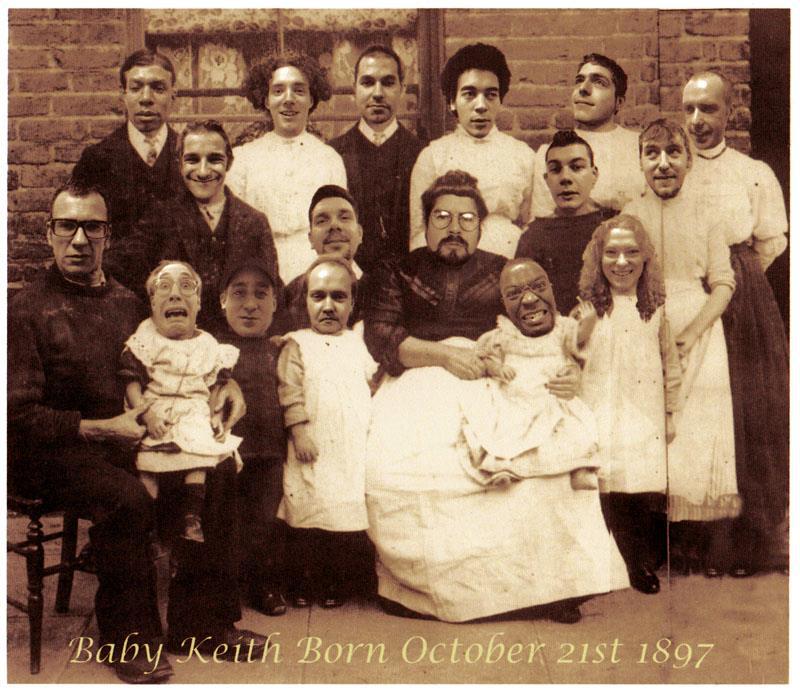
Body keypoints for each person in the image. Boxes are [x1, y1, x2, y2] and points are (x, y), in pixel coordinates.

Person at [7, 183, 268, 684]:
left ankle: (202, 625)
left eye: (92, 227)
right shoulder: (26, 310)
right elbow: (16, 416)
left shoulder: (128, 302)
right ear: (49, 233)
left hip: (132, 437)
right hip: (53, 449)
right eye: (67, 226)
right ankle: (130, 640)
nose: (79, 239)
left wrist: (225, 384)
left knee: (217, 470)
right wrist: (100, 429)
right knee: (126, 497)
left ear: (108, 235)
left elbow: (181, 352)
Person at [365, 170, 628, 624]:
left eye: (467, 219)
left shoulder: (500, 270)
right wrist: (446, 356)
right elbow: (382, 334)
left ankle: (553, 588)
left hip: (497, 373)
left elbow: (541, 324)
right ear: (425, 223)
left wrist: (565, 367)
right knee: (408, 464)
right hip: (417, 375)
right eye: (442, 217)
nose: (454, 228)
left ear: (481, 226)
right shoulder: (398, 269)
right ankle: (423, 589)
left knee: (541, 454)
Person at [682, 70, 789, 577]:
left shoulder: (753, 172)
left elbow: (771, 242)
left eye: (708, 109)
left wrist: (738, 280)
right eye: (689, 109)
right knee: (701, 411)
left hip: (743, 298)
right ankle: (703, 542)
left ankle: (753, 543)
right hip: (690, 291)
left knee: (749, 411)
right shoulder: (673, 167)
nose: (697, 120)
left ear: (730, 112)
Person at [624, 119, 737, 576]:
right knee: (653, 427)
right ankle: (655, 540)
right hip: (645, 320)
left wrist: (693, 331)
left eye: (673, 152)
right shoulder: (631, 214)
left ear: (689, 160)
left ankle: (699, 542)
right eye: (651, 153)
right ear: (640, 162)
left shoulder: (708, 213)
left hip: (698, 324)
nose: (663, 163)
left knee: (699, 429)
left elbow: (723, 283)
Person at [577, 214, 682, 594]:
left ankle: (635, 563)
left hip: (641, 414)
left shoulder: (655, 311)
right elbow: (572, 358)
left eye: (631, 253)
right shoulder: (588, 310)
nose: (621, 262)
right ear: (598, 258)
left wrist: (668, 413)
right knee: (602, 488)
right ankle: (600, 566)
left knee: (635, 489)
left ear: (645, 258)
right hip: (599, 409)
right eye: (612, 253)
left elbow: (671, 366)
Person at [105, 120, 281, 332]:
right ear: (180, 164)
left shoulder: (254, 222)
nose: (203, 171)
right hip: (178, 340)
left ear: (229, 162)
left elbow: (272, 290)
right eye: (192, 160)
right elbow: (116, 268)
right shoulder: (159, 217)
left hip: (238, 340)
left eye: (214, 159)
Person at [277, 256, 379, 609]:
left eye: (339, 297)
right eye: (318, 296)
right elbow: (289, 391)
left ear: (352, 302)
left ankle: (335, 581)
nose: (328, 306)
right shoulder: (297, 343)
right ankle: (302, 581)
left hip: (348, 446)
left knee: (342, 514)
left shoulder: (356, 342)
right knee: (307, 512)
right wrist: (299, 431)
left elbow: (372, 382)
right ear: (305, 301)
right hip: (311, 442)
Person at [121, 261, 242, 544]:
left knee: (200, 458)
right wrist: (146, 415)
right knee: (147, 466)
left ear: (198, 303)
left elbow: (214, 386)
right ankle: (148, 529)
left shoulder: (208, 344)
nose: (175, 294)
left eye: (186, 287)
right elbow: (131, 382)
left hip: (192, 413)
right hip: (156, 410)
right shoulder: (146, 338)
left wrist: (214, 415)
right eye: (164, 287)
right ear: (153, 304)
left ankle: (192, 518)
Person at [459, 258, 600, 491]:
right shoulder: (504, 334)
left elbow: (578, 346)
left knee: (572, 427)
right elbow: (485, 356)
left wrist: (590, 321)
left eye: (539, 287)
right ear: (504, 303)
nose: (529, 299)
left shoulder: (562, 329)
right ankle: (502, 469)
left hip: (550, 398)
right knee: (500, 431)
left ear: (551, 289)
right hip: (514, 399)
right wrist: (497, 368)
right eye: (515, 294)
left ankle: (580, 468)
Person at [227, 51, 347, 283]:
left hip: (317, 267)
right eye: (278, 91)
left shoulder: (329, 159)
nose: (288, 99)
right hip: (258, 267)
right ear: (266, 100)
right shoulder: (242, 159)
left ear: (311, 100)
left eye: (299, 91)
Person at [408, 43, 536, 258]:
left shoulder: (522, 155)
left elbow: (534, 226)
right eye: (469, 94)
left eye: (491, 95)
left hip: (508, 257)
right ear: (452, 102)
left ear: (500, 100)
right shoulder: (433, 156)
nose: (481, 105)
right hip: (447, 262)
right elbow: (419, 232)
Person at [215, 257, 288, 616]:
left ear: (274, 303)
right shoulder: (212, 349)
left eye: (261, 294)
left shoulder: (279, 349)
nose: (250, 304)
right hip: (226, 454)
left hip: (270, 451)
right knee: (226, 522)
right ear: (222, 300)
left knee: (264, 521)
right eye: (238, 293)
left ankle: (263, 584)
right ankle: (225, 587)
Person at [329, 45, 424, 281]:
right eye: (368, 82)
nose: (378, 93)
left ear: (402, 89)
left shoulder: (422, 153)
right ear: (354, 90)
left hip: (409, 283)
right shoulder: (334, 153)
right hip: (350, 280)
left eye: (388, 82)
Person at [71, 49, 182, 242]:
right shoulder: (97, 158)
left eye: (158, 88)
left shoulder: (190, 155)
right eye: (136, 88)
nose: (146, 98)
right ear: (123, 94)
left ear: (173, 95)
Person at [516, 129, 618, 315]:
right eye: (555, 170)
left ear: (594, 175)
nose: (565, 178)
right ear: (547, 180)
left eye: (576, 167)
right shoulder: (534, 236)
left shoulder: (615, 224)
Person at [532, 53, 643, 217]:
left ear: (618, 102)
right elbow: (542, 221)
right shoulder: (550, 154)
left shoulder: (640, 147)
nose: (583, 89)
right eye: (579, 80)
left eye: (599, 82)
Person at [279, 185, 366, 332]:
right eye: (322, 221)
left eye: (344, 218)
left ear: (360, 234)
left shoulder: (379, 290)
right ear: (311, 239)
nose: (334, 225)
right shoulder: (290, 294)